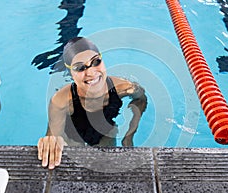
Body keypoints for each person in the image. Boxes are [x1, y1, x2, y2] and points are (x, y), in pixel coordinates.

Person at [37, 37, 147, 169]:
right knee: (74, 166)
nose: (91, 73)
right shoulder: (61, 101)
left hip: (105, 131)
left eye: (96, 62)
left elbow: (141, 100)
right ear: (71, 74)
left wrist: (129, 135)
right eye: (80, 68)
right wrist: (50, 141)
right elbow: (53, 135)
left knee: (107, 166)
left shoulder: (125, 88)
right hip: (73, 134)